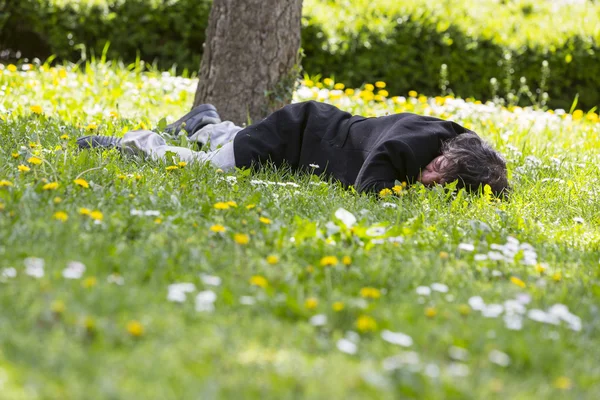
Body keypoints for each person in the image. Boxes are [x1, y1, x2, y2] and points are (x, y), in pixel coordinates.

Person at [77, 101, 509, 196]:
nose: (431, 176)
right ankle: (135, 144)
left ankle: (205, 122)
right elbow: (372, 178)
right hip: (297, 130)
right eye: (435, 167)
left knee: (236, 144)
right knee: (214, 168)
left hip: (307, 146)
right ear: (442, 151)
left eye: (443, 179)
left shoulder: (462, 148)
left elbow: (491, 187)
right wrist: (395, 196)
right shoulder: (409, 144)